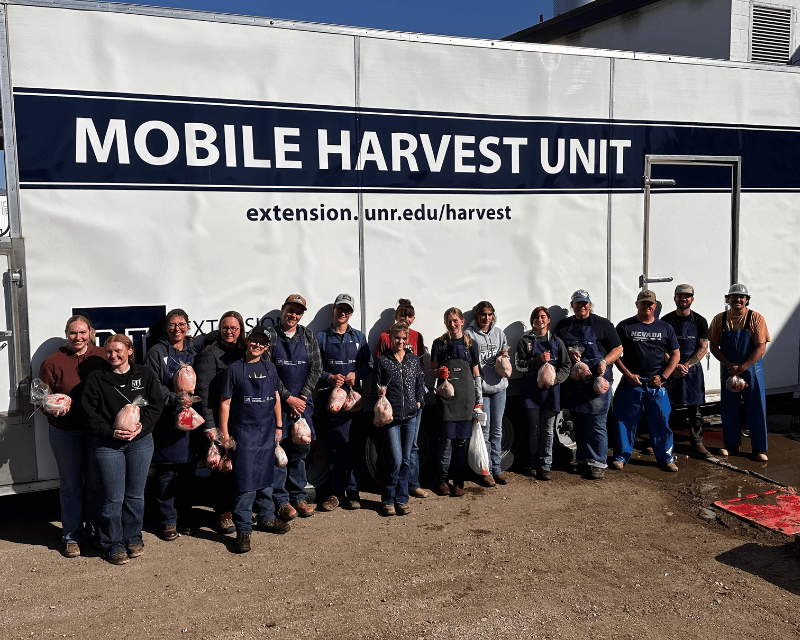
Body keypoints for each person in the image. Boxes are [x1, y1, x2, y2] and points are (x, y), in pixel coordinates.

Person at [81, 334, 164, 565]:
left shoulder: (145, 374)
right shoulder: (97, 378)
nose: (113, 356)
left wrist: (141, 427)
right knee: (112, 497)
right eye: (108, 352)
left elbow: (155, 406)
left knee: (135, 495)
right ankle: (112, 543)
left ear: (129, 350)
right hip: (109, 445)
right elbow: (90, 414)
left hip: (140, 442)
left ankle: (133, 537)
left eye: (118, 351)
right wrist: (111, 432)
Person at [38, 315, 106, 558]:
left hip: (95, 430)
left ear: (90, 332)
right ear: (67, 334)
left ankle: (97, 533)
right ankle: (72, 536)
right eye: (73, 333)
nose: (78, 337)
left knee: (97, 484)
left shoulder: (102, 355)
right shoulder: (53, 361)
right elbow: (40, 396)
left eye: (82, 332)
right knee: (71, 485)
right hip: (65, 431)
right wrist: (52, 407)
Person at [219, 325, 287, 554]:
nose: (258, 345)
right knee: (246, 484)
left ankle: (267, 517)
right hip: (244, 434)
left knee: (267, 478)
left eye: (263, 343)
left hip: (267, 432)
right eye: (255, 340)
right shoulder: (234, 370)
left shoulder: (270, 367)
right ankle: (244, 530)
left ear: (267, 347)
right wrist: (225, 435)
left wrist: (279, 426)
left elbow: (276, 397)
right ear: (248, 341)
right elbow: (225, 404)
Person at [263, 294, 322, 521]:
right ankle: (281, 501)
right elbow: (268, 370)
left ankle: (299, 496)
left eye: (298, 312)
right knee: (279, 452)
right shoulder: (271, 337)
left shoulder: (308, 336)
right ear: (283, 309)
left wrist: (303, 396)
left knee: (299, 451)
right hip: (277, 403)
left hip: (303, 405)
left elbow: (316, 368)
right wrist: (288, 398)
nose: (293, 315)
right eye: (290, 310)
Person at [554, 290, 622, 480]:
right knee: (579, 423)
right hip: (575, 382)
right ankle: (583, 460)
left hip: (596, 383)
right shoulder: (564, 326)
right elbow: (555, 347)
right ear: (572, 306)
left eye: (585, 304)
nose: (581, 307)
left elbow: (618, 348)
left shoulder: (602, 324)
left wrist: (605, 362)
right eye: (577, 304)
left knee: (596, 423)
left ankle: (598, 463)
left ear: (590, 305)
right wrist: (568, 351)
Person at [145, 309, 200, 541]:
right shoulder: (157, 352)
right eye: (172, 325)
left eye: (182, 324)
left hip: (192, 422)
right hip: (167, 421)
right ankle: (168, 520)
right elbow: (153, 384)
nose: (177, 329)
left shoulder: (195, 350)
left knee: (188, 474)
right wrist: (176, 399)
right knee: (166, 474)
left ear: (188, 326)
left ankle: (185, 518)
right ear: (166, 328)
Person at [611, 290, 680, 472]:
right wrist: (627, 374)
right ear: (637, 304)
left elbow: (675, 354)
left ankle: (666, 458)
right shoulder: (625, 326)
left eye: (650, 304)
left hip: (656, 384)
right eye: (643, 303)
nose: (647, 306)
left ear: (655, 306)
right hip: (631, 383)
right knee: (624, 421)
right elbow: (615, 353)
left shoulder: (665, 328)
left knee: (661, 422)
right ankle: (620, 457)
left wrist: (664, 376)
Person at [316, 293, 373, 512]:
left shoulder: (359, 337)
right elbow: (314, 368)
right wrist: (329, 377)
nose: (343, 313)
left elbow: (368, 365)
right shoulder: (322, 338)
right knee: (334, 449)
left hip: (354, 404)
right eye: (340, 308)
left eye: (347, 310)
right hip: (331, 404)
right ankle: (335, 493)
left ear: (351, 313)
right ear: (334, 309)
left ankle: (354, 492)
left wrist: (356, 375)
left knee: (353, 448)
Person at [195, 311, 246, 535]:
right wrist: (209, 425)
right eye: (225, 327)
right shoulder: (209, 355)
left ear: (240, 330)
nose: (229, 332)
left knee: (240, 467)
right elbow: (203, 392)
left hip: (243, 420)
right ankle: (224, 514)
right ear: (219, 329)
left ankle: (240, 509)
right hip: (219, 419)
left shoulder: (245, 353)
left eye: (234, 328)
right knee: (221, 470)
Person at [709, 284, 770, 461]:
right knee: (729, 408)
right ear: (727, 299)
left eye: (741, 297)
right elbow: (713, 345)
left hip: (752, 369)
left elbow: (760, 347)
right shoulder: (719, 319)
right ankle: (731, 446)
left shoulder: (756, 318)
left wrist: (743, 367)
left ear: (747, 300)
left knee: (756, 407)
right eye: (733, 297)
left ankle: (759, 449)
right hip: (728, 368)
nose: (737, 300)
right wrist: (729, 365)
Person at [374, 299, 428, 499]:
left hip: (411, 413)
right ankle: (388, 497)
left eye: (403, 338)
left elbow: (419, 380)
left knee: (408, 457)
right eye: (397, 338)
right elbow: (377, 380)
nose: (401, 341)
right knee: (395, 460)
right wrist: (380, 392)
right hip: (392, 415)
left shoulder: (413, 358)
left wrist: (419, 401)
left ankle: (404, 496)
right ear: (391, 338)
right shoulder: (383, 359)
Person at [430, 307, 484, 497]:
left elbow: (476, 373)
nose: (452, 324)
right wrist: (439, 373)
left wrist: (479, 399)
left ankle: (459, 482)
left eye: (455, 321)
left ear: (462, 321)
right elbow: (432, 371)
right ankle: (442, 481)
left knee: (462, 442)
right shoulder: (439, 344)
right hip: (446, 399)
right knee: (445, 441)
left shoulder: (471, 345)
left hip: (466, 399)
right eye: (449, 321)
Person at [516, 306, 571, 481]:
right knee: (535, 429)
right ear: (532, 321)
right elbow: (519, 366)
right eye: (536, 317)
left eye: (542, 317)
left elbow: (566, 366)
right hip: (532, 391)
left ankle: (545, 465)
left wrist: (555, 380)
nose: (539, 320)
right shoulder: (525, 341)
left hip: (551, 392)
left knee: (548, 430)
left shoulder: (557, 341)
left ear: (548, 320)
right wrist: (537, 361)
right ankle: (533, 463)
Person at [661, 285, 712, 460]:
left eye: (687, 296)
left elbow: (703, 347)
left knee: (695, 410)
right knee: (668, 408)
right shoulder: (666, 320)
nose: (684, 299)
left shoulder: (700, 321)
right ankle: (665, 442)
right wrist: (674, 365)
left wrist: (686, 366)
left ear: (692, 299)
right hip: (671, 369)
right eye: (680, 296)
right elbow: (661, 347)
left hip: (692, 371)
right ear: (675, 298)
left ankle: (697, 442)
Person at [465, 301, 510, 486]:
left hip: (499, 387)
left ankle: (497, 469)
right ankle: (486, 471)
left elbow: (506, 351)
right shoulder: (469, 334)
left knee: (497, 430)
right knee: (484, 431)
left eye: (490, 314)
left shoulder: (499, 333)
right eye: (483, 314)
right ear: (477, 315)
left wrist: (503, 355)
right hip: (482, 389)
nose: (486, 318)